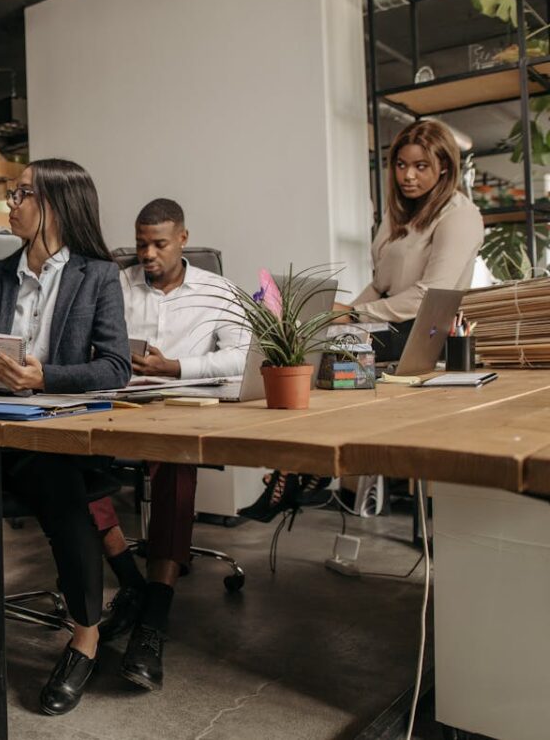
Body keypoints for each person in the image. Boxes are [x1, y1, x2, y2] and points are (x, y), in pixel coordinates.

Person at [0, 159, 130, 732]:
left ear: (56, 206)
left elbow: (114, 366)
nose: (8, 203)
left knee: (66, 497)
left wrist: (44, 378)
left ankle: (86, 640)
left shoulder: (97, 276)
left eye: (20, 194)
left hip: (50, 431)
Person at [239, 118, 484, 522]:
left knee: (327, 366)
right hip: (388, 323)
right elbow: (380, 284)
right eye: (401, 165)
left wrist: (353, 315)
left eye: (420, 166)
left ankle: (299, 471)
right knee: (310, 346)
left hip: (426, 332)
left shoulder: (460, 215)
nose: (407, 175)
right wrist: (335, 319)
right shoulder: (399, 214)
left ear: (444, 168)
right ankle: (303, 468)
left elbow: (430, 294)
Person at [90, 198, 247, 692]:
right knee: (67, 459)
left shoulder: (218, 291)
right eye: (140, 245)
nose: (148, 255)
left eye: (159, 244)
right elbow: (90, 343)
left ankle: (152, 617)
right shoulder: (116, 285)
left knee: (177, 467)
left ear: (183, 238)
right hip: (119, 402)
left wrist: (174, 368)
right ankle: (130, 581)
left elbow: (241, 359)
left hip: (181, 405)